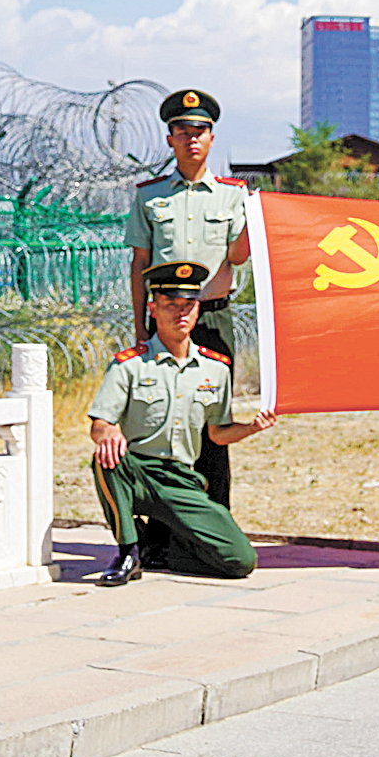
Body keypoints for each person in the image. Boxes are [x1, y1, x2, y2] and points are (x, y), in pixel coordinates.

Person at [87, 259, 276, 586]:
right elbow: (100, 424)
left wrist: (252, 427)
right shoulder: (130, 366)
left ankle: (167, 550)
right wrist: (110, 431)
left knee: (240, 560)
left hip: (182, 479)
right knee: (107, 459)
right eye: (170, 305)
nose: (181, 313)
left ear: (198, 309)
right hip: (138, 472)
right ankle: (128, 550)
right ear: (153, 309)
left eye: (188, 305)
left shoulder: (215, 370)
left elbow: (217, 434)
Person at [124, 89, 253, 506]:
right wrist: (140, 326)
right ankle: (163, 525)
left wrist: (258, 225)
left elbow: (236, 256)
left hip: (213, 318)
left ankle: (215, 517)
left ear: (211, 137)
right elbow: (139, 262)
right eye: (182, 131)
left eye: (200, 131)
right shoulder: (150, 196)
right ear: (170, 140)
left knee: (214, 422)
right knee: (159, 419)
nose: (191, 138)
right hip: (163, 319)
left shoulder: (234, 195)